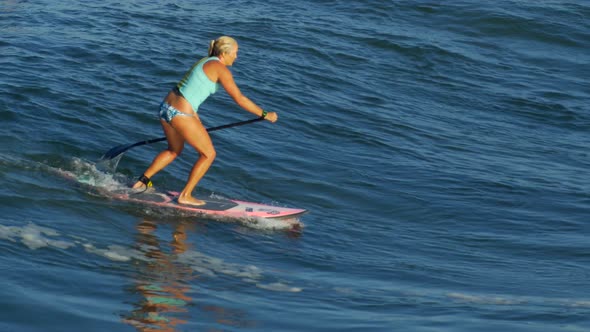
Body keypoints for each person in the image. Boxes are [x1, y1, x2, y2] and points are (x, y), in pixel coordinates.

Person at [132, 36, 278, 206]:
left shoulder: (204, 61)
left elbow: (190, 88)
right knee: (208, 154)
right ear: (225, 53)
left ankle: (141, 181)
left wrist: (194, 118)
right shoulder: (220, 69)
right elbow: (239, 99)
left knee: (174, 150)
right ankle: (185, 195)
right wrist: (265, 113)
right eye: (236, 53)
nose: (237, 57)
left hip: (166, 108)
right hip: (181, 113)